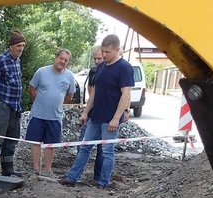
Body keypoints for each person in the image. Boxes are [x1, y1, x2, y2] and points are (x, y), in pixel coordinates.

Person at [59, 35, 134, 189]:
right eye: (103, 51)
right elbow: (95, 92)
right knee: (84, 146)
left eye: (107, 52)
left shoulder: (124, 68)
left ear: (117, 49)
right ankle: (72, 177)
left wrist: (116, 117)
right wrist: (86, 112)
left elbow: (126, 94)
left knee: (107, 151)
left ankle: (103, 182)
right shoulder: (101, 67)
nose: (104, 55)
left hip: (110, 119)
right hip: (96, 116)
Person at [24, 49, 75, 178]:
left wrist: (59, 103)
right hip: (38, 115)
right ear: (56, 57)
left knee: (50, 144)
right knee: (35, 142)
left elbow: (70, 94)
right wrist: (39, 102)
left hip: (55, 116)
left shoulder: (69, 76)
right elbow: (31, 88)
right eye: (61, 58)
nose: (62, 62)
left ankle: (48, 170)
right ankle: (36, 169)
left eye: (65, 60)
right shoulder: (41, 72)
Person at [0, 30, 26, 176]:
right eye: (18, 45)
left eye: (23, 45)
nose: (21, 49)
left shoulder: (17, 60)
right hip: (2, 104)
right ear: (11, 46)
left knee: (12, 138)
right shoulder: (0, 60)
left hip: (15, 106)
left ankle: (8, 170)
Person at [78, 46, 104, 182]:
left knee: (103, 149)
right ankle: (76, 175)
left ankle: (99, 177)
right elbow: (91, 91)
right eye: (95, 59)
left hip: (106, 116)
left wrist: (126, 111)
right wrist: (86, 112)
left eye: (99, 58)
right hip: (92, 114)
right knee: (83, 145)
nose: (97, 61)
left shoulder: (115, 69)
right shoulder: (94, 71)